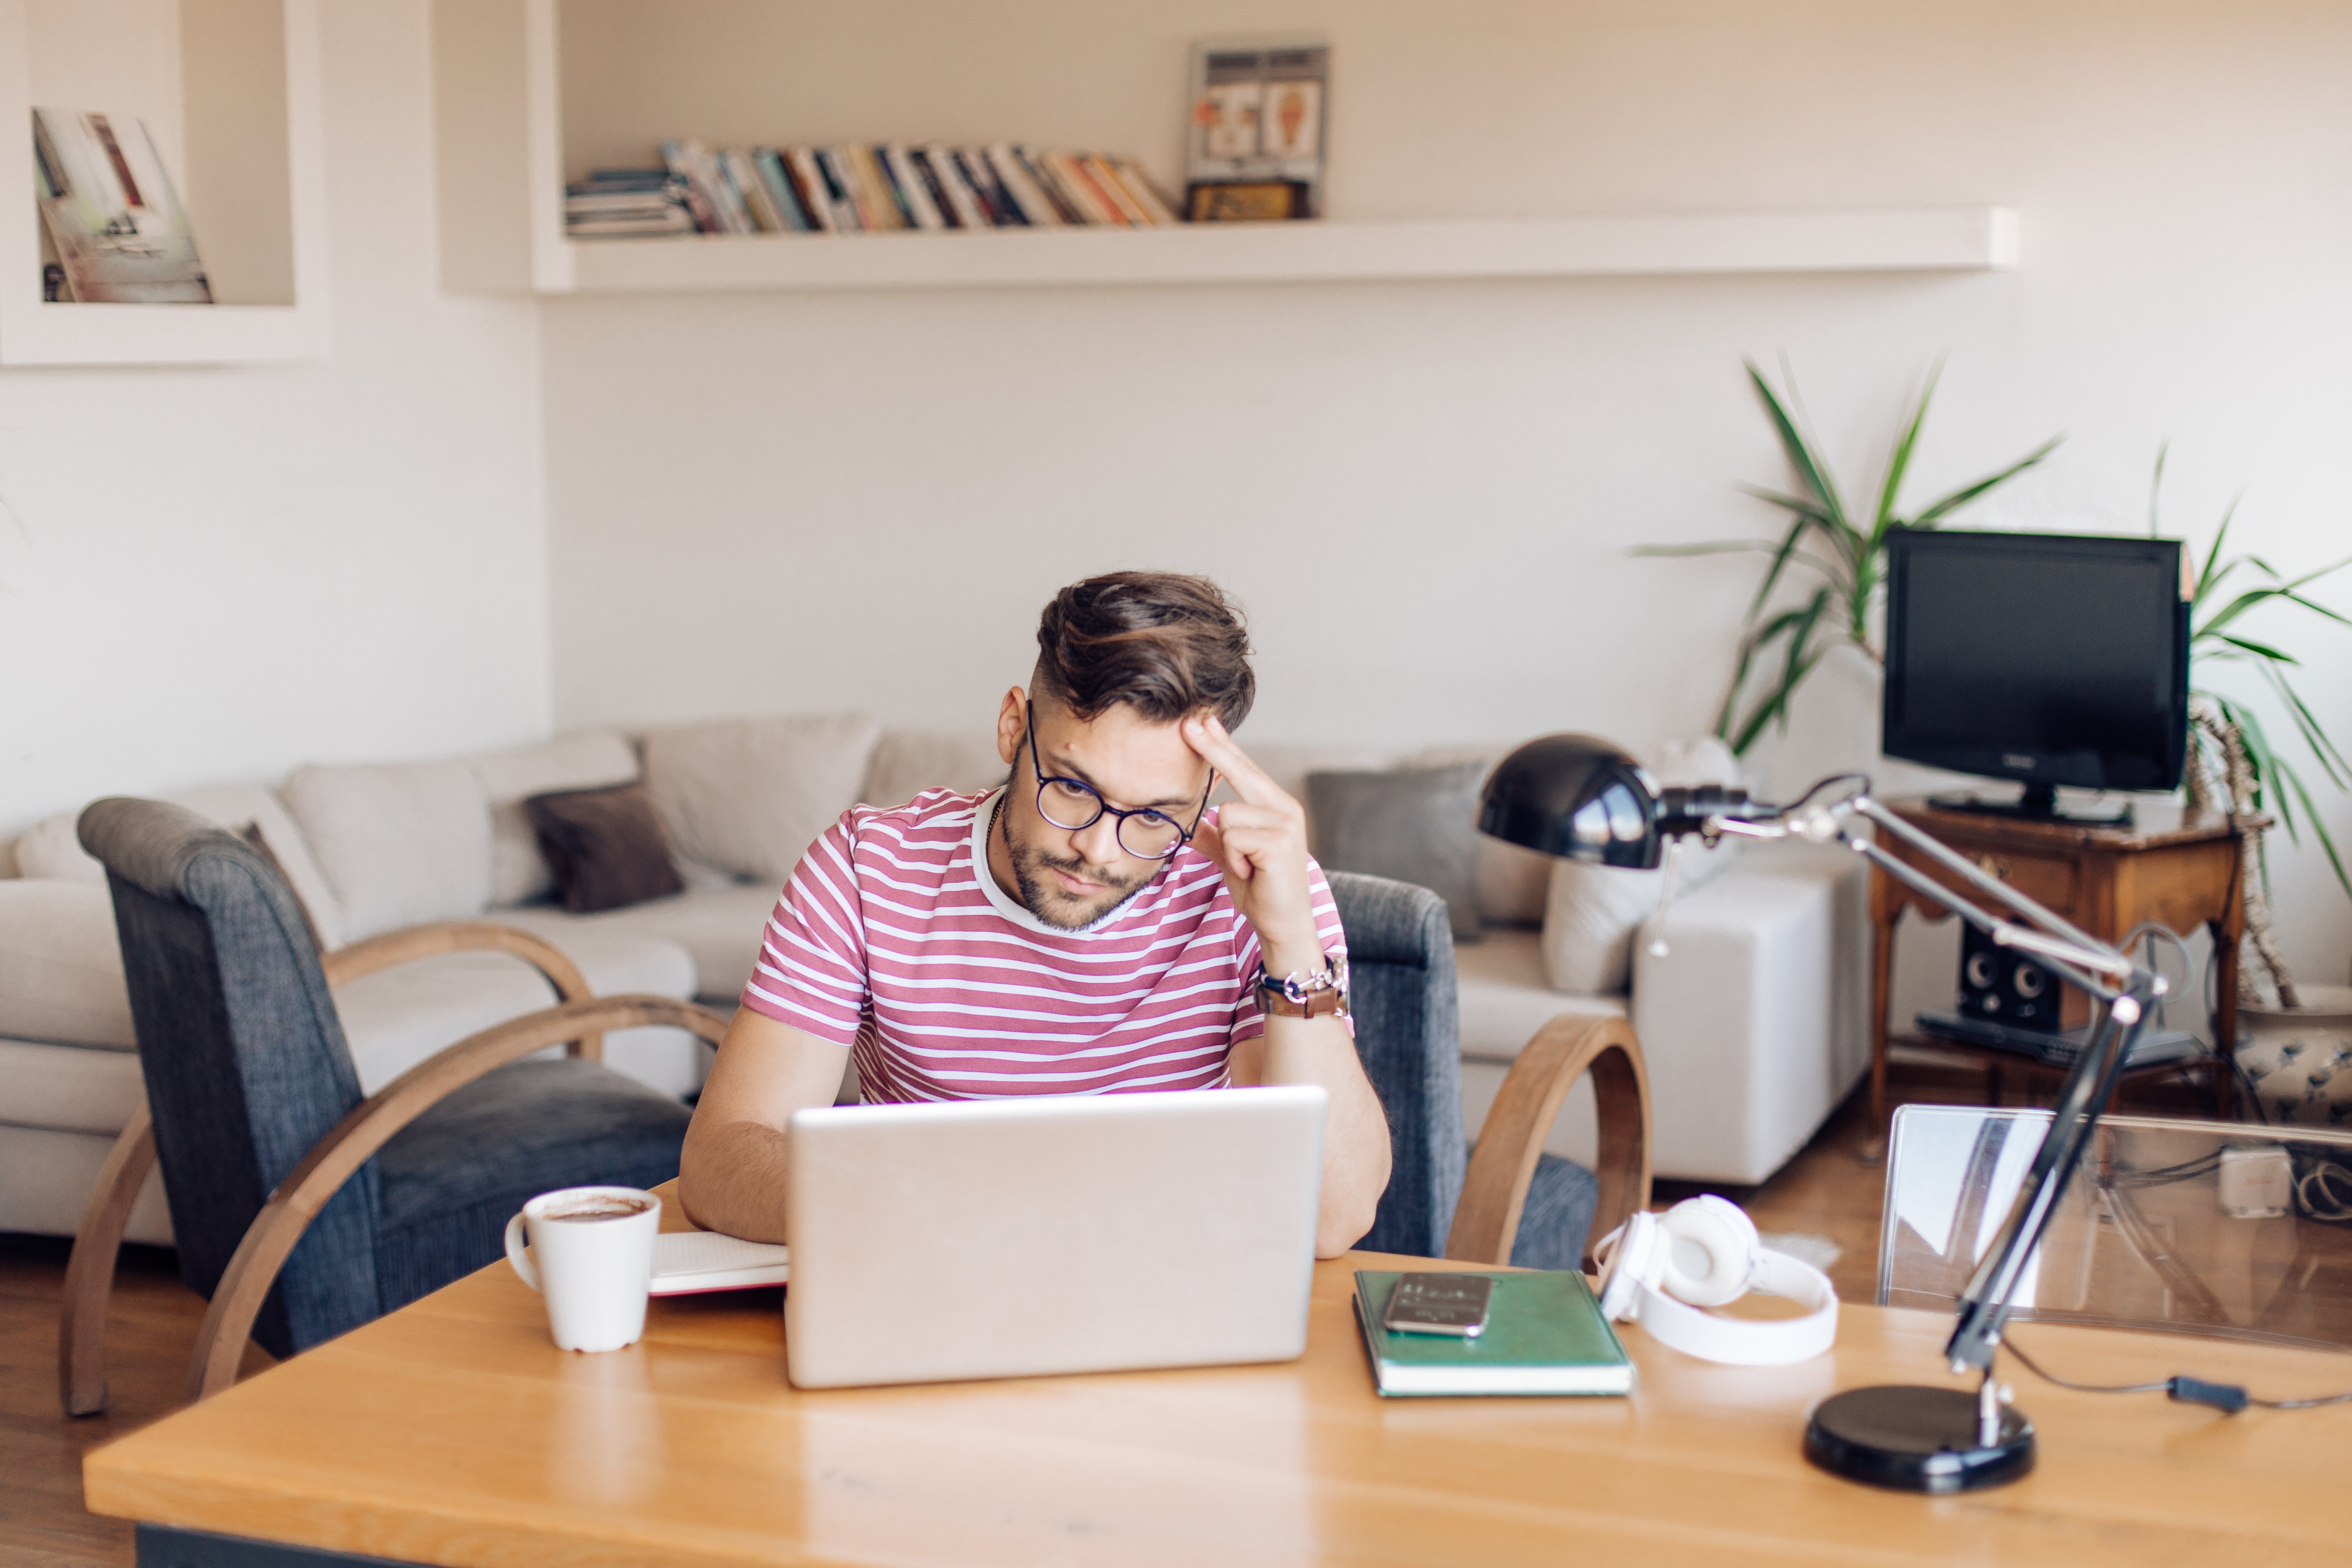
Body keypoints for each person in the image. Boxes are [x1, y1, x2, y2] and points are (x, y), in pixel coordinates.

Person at [679, 572, 1391, 1256]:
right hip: (925, 1265)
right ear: (1012, 727)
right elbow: (721, 1159)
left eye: (1155, 816)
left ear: (1205, 795)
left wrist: (1290, 942)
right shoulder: (866, 867)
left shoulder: (1264, 895)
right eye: (1074, 788)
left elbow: (1333, 1219)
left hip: (1167, 1286)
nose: (1097, 851)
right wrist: (976, 1217)